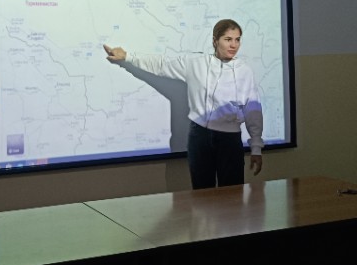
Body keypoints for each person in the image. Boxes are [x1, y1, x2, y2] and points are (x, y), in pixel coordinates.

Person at [103, 19, 263, 189]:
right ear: (215, 41)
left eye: (237, 40)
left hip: (230, 139)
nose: (234, 45)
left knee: (232, 194)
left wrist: (256, 148)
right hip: (199, 137)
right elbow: (161, 65)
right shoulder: (196, 64)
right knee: (202, 193)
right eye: (228, 39)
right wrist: (128, 57)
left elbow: (252, 110)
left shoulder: (244, 71)